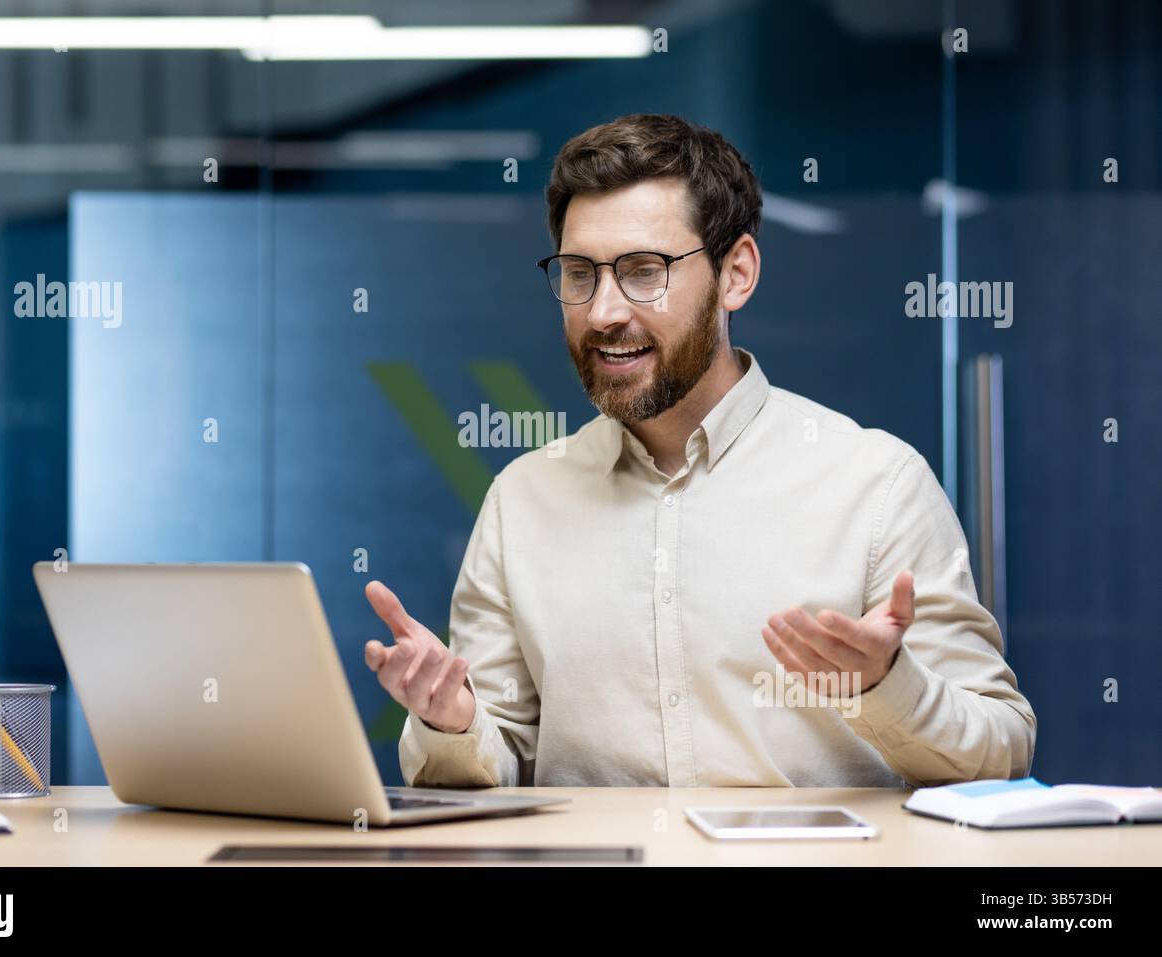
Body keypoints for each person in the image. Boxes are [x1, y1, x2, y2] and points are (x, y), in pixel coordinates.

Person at [364, 113, 1035, 788]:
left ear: (736, 274)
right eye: (578, 274)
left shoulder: (877, 485)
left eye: (643, 271)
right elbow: (494, 761)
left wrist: (888, 686)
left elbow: (1003, 748)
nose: (603, 312)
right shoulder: (521, 499)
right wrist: (454, 724)